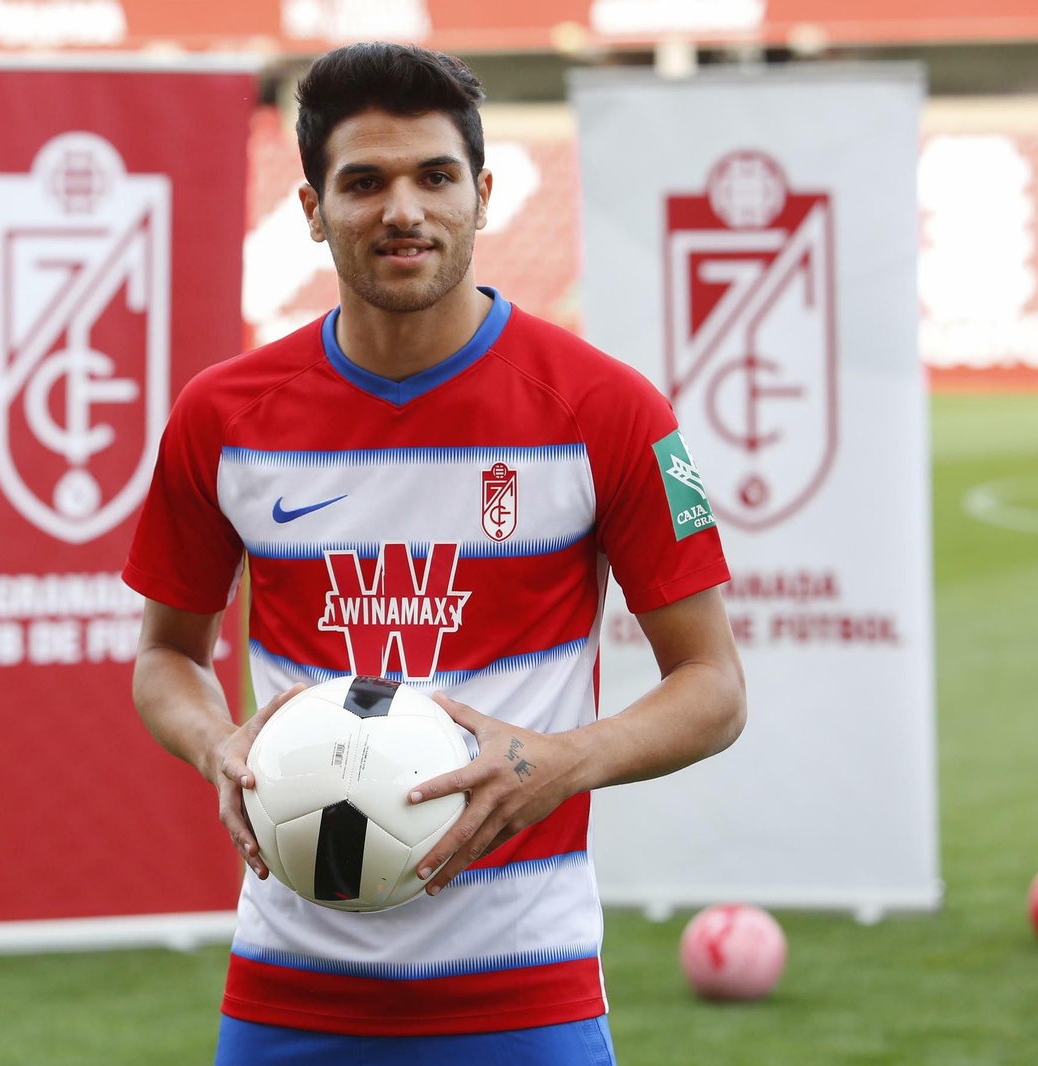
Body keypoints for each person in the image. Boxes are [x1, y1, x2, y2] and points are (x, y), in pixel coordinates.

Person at [126, 41, 746, 1066]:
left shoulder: (607, 410)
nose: (402, 210)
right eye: (363, 182)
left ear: (482, 195)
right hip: (288, 987)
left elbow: (713, 686)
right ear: (313, 209)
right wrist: (216, 745)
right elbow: (166, 656)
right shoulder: (222, 416)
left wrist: (560, 763)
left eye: (435, 177)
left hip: (525, 990)